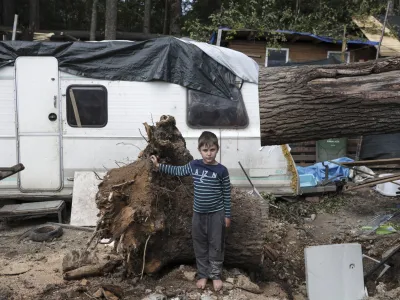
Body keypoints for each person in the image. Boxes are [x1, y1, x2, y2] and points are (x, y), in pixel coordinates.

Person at [150, 131, 231, 292]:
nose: (209, 154)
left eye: (212, 150)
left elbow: (226, 194)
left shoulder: (222, 171)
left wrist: (227, 215)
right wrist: (159, 166)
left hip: (216, 214)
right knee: (199, 244)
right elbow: (178, 171)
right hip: (198, 215)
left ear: (217, 149)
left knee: (216, 245)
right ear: (200, 150)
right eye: (205, 150)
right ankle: (203, 274)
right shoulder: (194, 165)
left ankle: (215, 276)